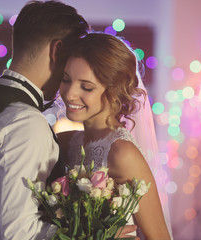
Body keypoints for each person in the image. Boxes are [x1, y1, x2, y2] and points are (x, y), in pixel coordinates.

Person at [0, 1, 89, 239]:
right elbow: (18, 234)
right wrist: (90, 232)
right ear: (57, 51)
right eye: (73, 57)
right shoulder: (26, 122)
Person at [57, 33, 172, 239]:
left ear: (115, 89)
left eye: (86, 86)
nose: (69, 93)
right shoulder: (67, 142)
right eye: (66, 79)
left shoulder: (122, 153)